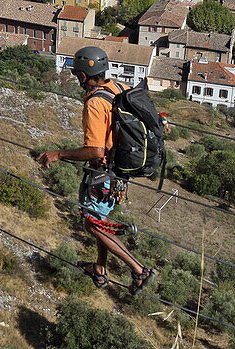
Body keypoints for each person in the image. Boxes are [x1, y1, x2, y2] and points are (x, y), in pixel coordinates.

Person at [35, 45, 155, 292]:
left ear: (82, 76)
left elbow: (95, 150)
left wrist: (59, 154)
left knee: (92, 224)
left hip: (104, 172)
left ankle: (138, 269)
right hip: (121, 170)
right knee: (99, 221)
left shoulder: (95, 103)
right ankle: (100, 269)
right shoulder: (119, 88)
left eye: (75, 75)